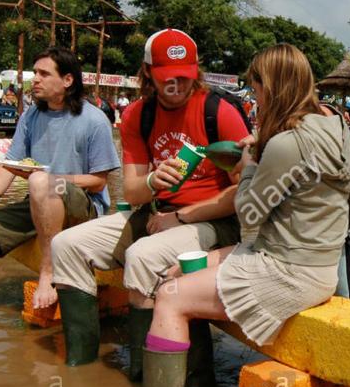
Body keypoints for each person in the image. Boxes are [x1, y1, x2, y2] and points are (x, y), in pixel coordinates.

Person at [144, 43, 350, 376]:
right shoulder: (337, 125)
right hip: (319, 264)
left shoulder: (287, 144)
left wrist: (249, 165)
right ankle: (197, 385)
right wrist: (262, 146)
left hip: (290, 270)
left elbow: (249, 213)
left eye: (256, 90)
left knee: (169, 296)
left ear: (270, 87)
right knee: (176, 272)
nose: (255, 99)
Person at [50, 28, 251, 369]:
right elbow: (131, 191)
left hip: (214, 221)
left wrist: (183, 217)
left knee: (142, 255)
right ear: (147, 74)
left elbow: (245, 192)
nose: (176, 86)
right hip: (157, 212)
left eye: (184, 78)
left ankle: (146, 376)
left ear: (196, 72)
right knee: (65, 245)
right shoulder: (137, 116)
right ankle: (79, 366)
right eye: (167, 78)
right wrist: (154, 180)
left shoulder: (220, 112)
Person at [0, 48, 120, 325]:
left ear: (67, 81)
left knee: (41, 181)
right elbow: (9, 166)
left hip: (84, 210)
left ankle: (48, 274)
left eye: (43, 74)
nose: (34, 80)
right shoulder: (31, 116)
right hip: (39, 202)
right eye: (34, 73)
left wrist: (52, 179)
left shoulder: (94, 120)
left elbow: (98, 182)